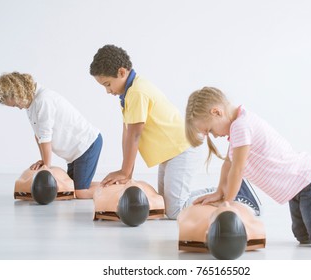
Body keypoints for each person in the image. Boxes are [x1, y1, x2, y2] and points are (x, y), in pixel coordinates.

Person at [184, 86, 311, 248]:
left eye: (209, 130)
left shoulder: (241, 127)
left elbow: (237, 170)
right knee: (303, 235)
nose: (213, 136)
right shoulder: (239, 125)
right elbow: (229, 163)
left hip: (310, 182)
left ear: (217, 112)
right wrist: (219, 192)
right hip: (298, 188)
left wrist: (228, 203)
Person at [89, 45, 260, 219]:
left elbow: (135, 135)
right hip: (170, 153)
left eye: (108, 84)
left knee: (174, 210)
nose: (107, 90)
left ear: (122, 72)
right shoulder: (128, 93)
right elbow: (127, 133)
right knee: (164, 203)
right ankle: (222, 191)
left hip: (183, 149)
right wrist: (126, 173)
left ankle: (238, 193)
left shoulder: (137, 93)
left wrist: (125, 172)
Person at [0, 72, 102, 199]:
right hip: (74, 152)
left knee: (80, 192)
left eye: (16, 105)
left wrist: (47, 167)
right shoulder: (31, 105)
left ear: (18, 93)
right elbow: (38, 135)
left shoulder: (43, 100)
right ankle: (110, 187)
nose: (19, 108)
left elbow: (45, 136)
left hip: (86, 145)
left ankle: (120, 190)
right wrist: (44, 162)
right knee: (70, 188)